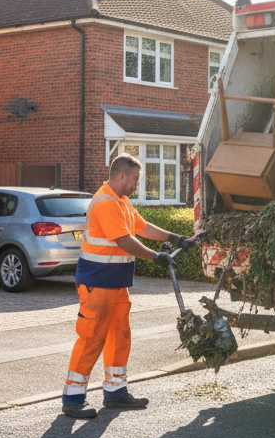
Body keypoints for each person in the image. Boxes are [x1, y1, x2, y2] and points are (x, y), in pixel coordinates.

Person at [63, 154, 186, 419]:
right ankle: (73, 398)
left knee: (120, 335)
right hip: (97, 282)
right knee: (92, 337)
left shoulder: (122, 202)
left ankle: (116, 392)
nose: (137, 185)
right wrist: (155, 256)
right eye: (135, 179)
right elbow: (124, 240)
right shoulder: (105, 203)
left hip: (115, 283)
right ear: (122, 176)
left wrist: (175, 238)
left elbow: (141, 227)